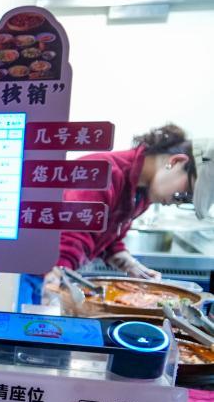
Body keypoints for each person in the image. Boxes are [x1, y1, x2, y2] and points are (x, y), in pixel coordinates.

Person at [17, 124, 213, 306]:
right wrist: (54, 286)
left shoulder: (141, 193)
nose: (175, 203)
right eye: (184, 194)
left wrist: (130, 265)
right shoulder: (103, 172)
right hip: (34, 271)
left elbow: (108, 238)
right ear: (176, 161)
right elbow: (71, 237)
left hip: (56, 269)